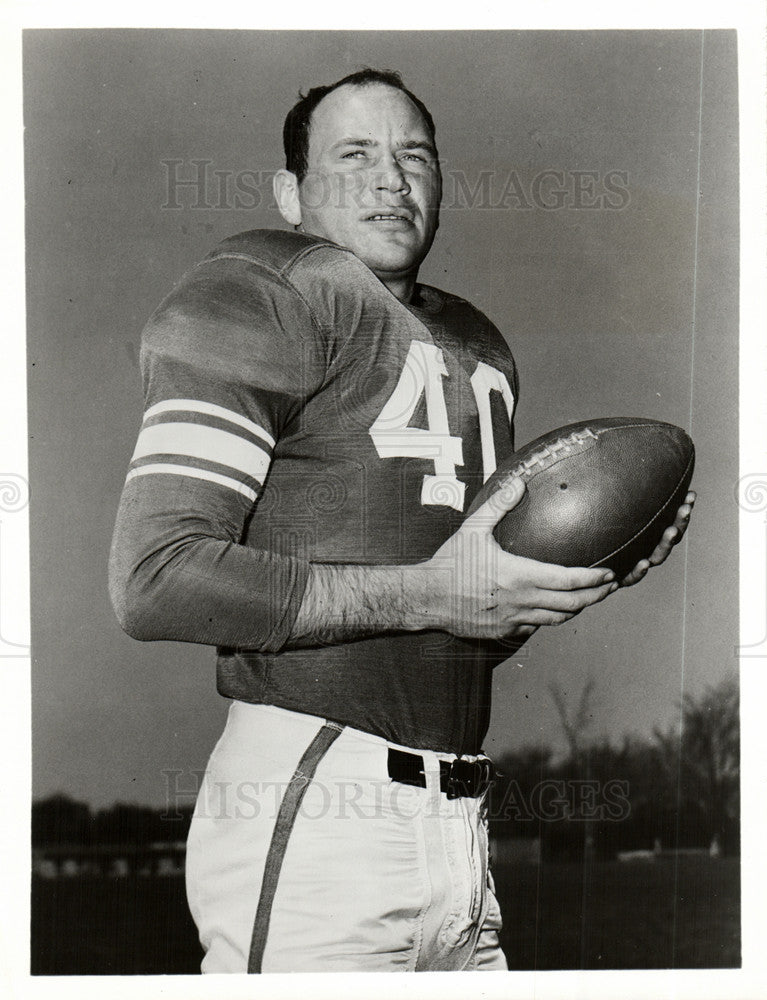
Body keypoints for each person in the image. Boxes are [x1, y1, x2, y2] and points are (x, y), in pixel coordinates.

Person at [109, 68, 694, 973]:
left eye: (413, 155)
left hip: (460, 822)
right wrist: (436, 591)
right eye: (353, 156)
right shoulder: (257, 293)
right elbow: (156, 580)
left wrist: (553, 585)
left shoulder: (474, 341)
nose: (391, 179)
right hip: (315, 802)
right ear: (288, 194)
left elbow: (441, 625)